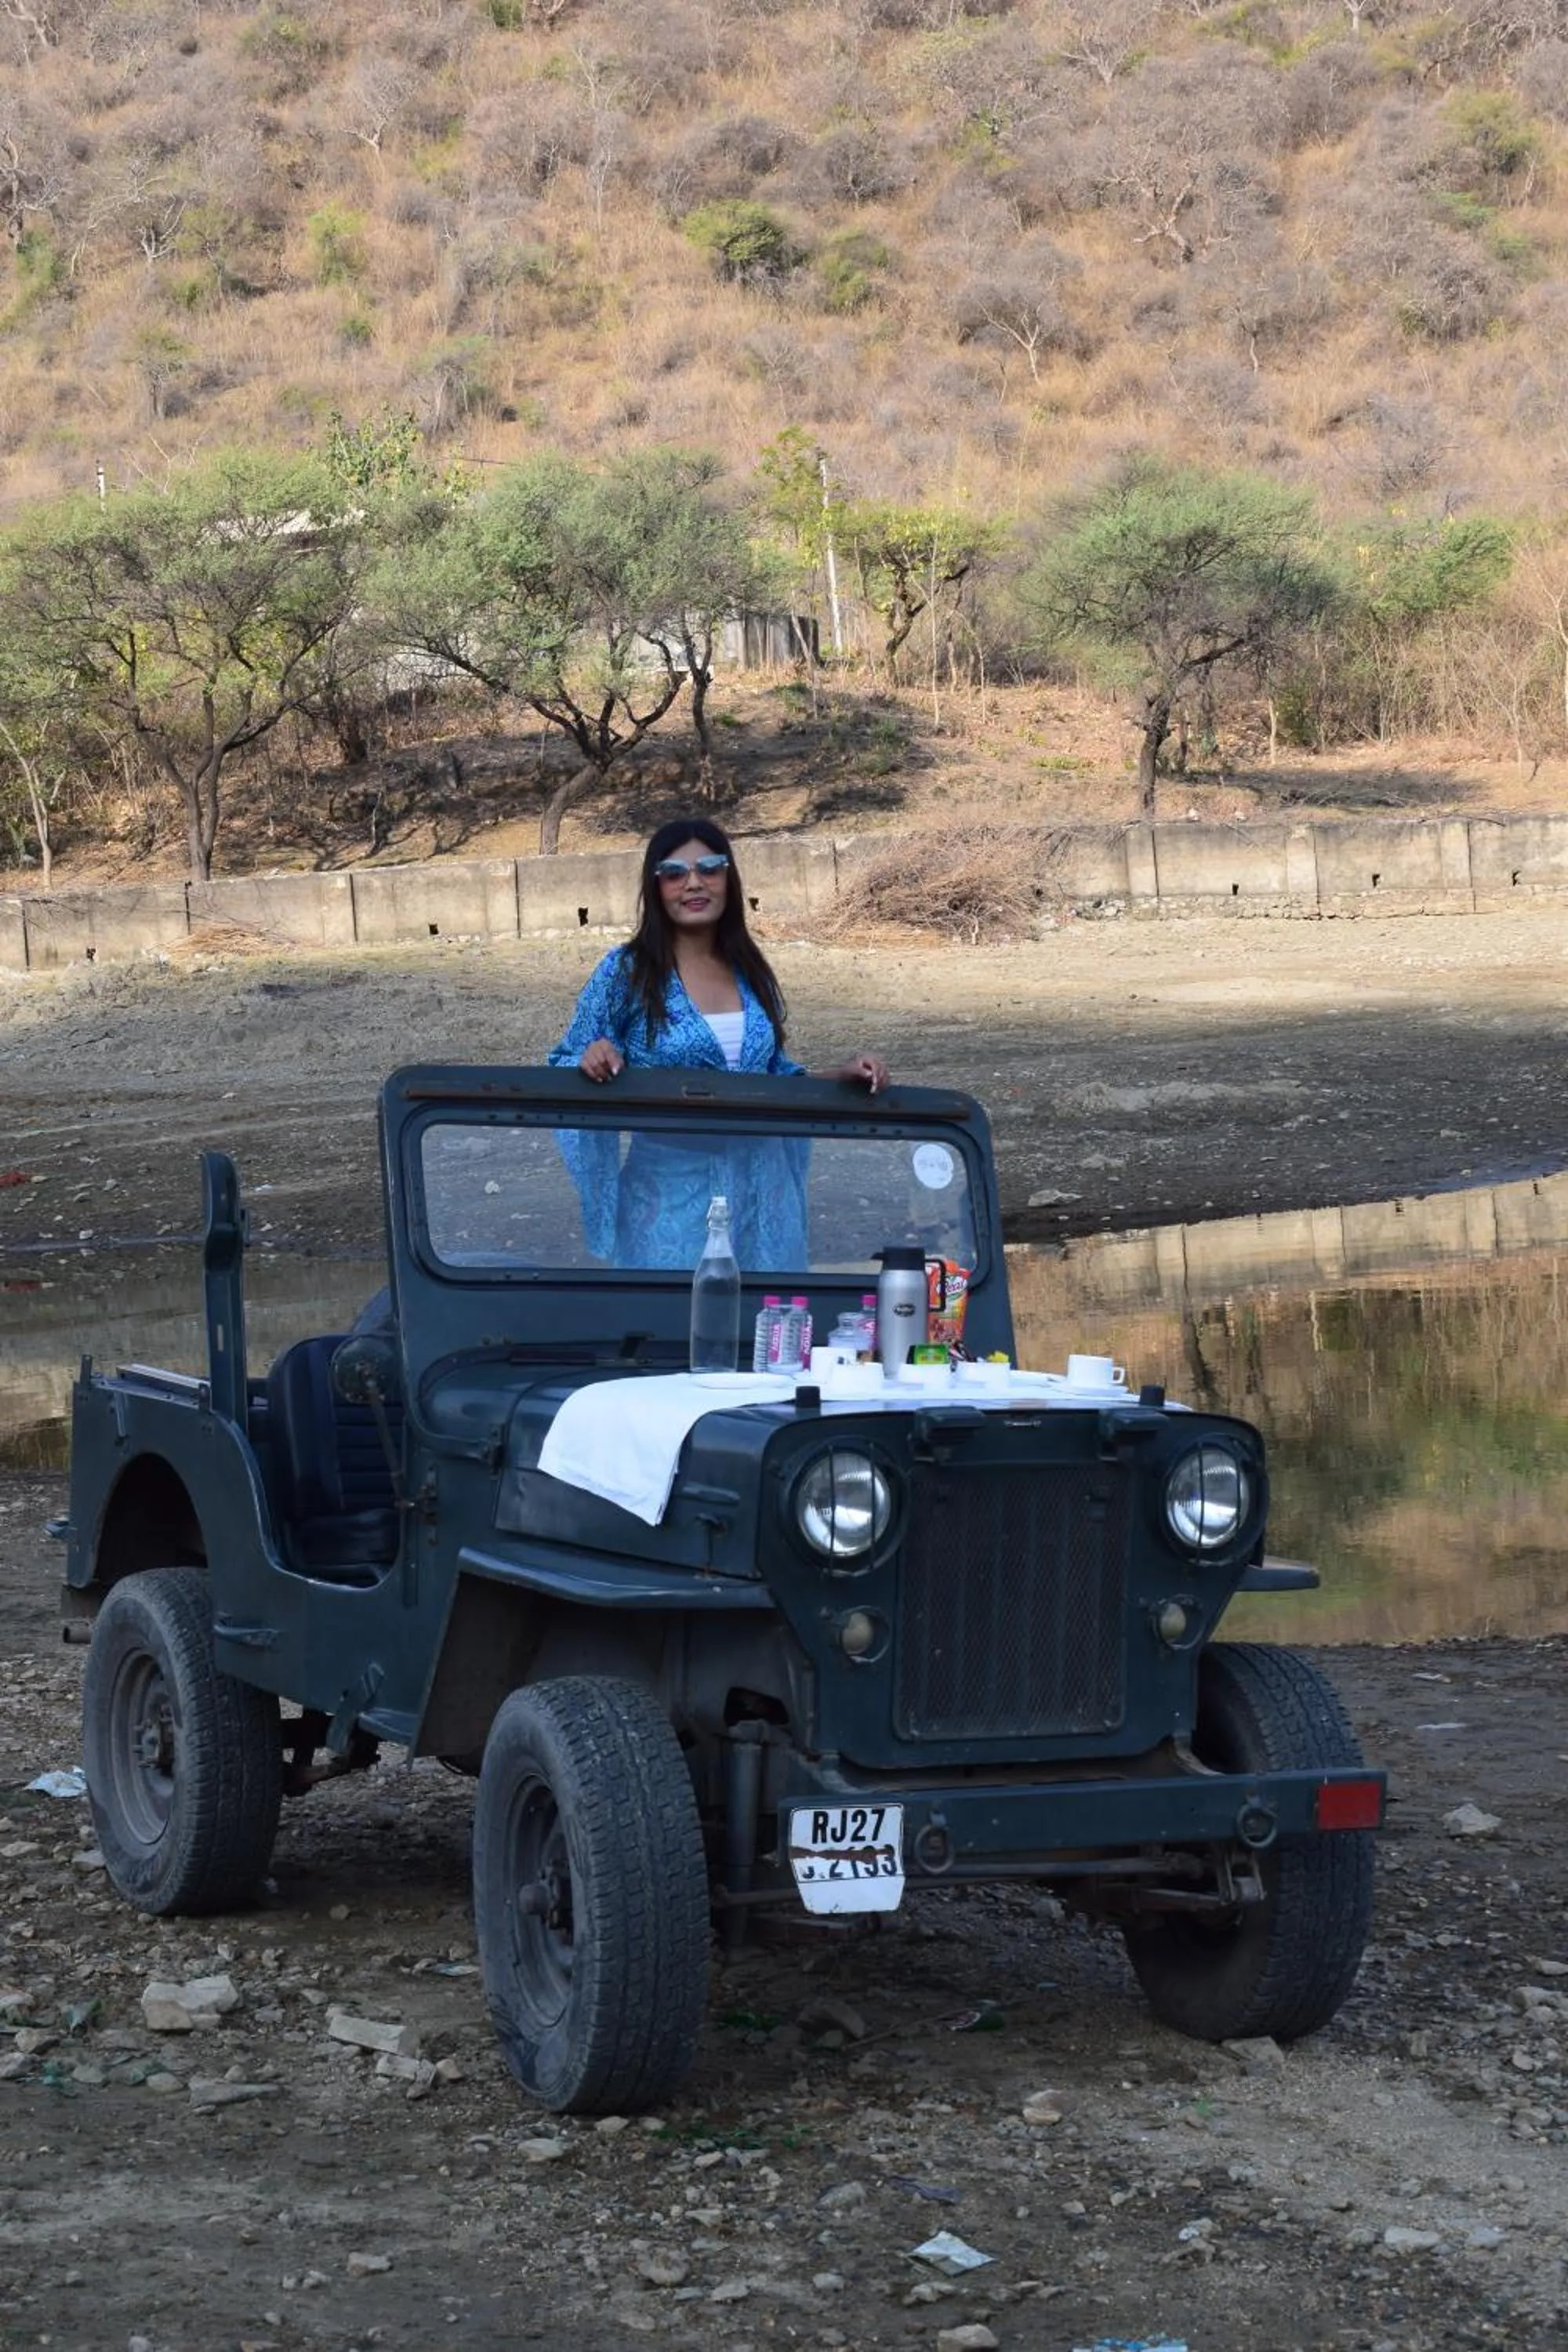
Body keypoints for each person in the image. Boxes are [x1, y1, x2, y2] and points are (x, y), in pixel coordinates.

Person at [547, 816, 890, 1269]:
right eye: (674, 873)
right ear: (656, 887)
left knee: (766, 1329)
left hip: (762, 1195)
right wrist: (590, 1059)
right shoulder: (627, 971)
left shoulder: (749, 968)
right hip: (668, 1197)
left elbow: (771, 1080)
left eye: (709, 868)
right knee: (667, 1332)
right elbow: (563, 1061)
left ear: (728, 877)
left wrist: (841, 1076)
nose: (694, 883)